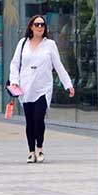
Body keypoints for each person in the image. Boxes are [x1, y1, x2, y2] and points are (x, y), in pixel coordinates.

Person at [8, 14, 74, 164]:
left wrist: (68, 84)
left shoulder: (50, 45)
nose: (39, 27)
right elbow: (14, 64)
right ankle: (31, 152)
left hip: (43, 88)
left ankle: (40, 148)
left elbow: (58, 66)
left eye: (42, 25)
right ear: (31, 26)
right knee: (29, 121)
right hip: (25, 88)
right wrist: (14, 81)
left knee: (39, 118)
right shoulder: (23, 43)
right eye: (37, 24)